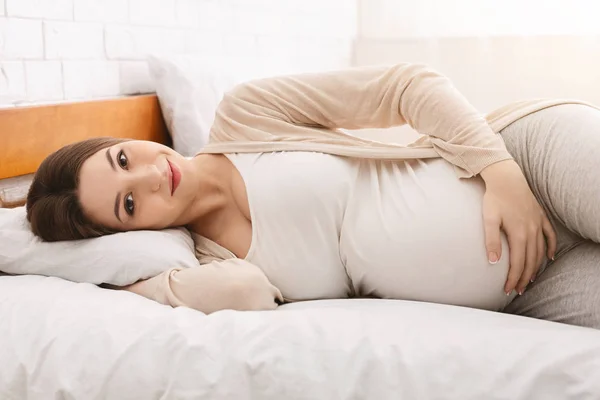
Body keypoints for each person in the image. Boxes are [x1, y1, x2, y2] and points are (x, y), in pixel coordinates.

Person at [26, 63, 600, 328]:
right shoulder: (211, 261)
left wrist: (499, 171)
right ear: (136, 233)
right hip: (527, 288)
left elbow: (407, 86)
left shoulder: (246, 114)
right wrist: (143, 281)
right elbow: (247, 295)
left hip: (532, 165)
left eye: (123, 158)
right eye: (130, 205)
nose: (150, 178)